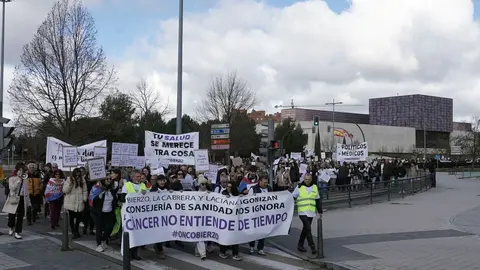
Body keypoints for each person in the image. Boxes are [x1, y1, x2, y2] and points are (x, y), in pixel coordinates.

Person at [118, 170, 151, 260]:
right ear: (132, 177)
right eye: (137, 176)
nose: (139, 178)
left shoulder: (143, 185)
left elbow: (147, 197)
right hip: (129, 214)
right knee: (128, 234)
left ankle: (135, 253)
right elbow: (122, 197)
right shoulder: (127, 185)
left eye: (140, 176)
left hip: (139, 214)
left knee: (137, 234)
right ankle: (127, 253)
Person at [291, 173, 322, 255]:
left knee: (306, 229)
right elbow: (292, 197)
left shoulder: (314, 187)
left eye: (308, 179)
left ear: (311, 179)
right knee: (308, 228)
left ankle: (300, 245)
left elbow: (317, 200)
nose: (307, 181)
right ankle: (312, 246)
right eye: (305, 179)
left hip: (311, 212)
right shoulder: (299, 187)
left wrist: (320, 211)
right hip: (302, 212)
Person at [89, 175, 118, 252]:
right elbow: (92, 198)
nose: (109, 180)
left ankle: (103, 240)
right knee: (99, 227)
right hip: (98, 212)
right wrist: (99, 197)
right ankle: (99, 244)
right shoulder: (97, 188)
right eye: (107, 179)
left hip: (109, 212)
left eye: (110, 179)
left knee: (110, 227)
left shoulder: (111, 189)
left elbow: (114, 199)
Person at [2, 167, 30, 239]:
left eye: (22, 171)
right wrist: (18, 181)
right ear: (17, 171)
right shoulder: (12, 179)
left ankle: (17, 232)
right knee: (12, 214)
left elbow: (26, 191)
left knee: (20, 216)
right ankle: (11, 227)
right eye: (19, 170)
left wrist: (28, 201)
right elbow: (12, 188)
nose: (21, 172)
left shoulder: (25, 179)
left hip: (22, 198)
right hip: (14, 198)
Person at [248, 175, 271, 256]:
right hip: (255, 214)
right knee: (254, 232)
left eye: (267, 182)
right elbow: (249, 201)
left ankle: (260, 248)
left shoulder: (269, 188)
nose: (266, 184)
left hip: (265, 214)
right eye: (264, 182)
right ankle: (251, 246)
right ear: (260, 181)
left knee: (263, 232)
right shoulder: (253, 189)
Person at [219, 180, 242, 261]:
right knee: (226, 237)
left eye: (230, 186)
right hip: (226, 219)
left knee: (235, 237)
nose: (228, 188)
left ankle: (235, 254)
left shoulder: (236, 194)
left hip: (235, 219)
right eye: (227, 186)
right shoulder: (224, 194)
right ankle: (222, 252)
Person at [63, 168, 87, 239]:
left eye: (78, 175)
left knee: (78, 218)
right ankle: (74, 232)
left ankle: (76, 230)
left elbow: (85, 190)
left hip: (79, 202)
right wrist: (70, 185)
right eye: (76, 175)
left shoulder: (82, 180)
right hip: (71, 202)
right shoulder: (69, 179)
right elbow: (65, 190)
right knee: (72, 218)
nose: (77, 176)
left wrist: (84, 199)